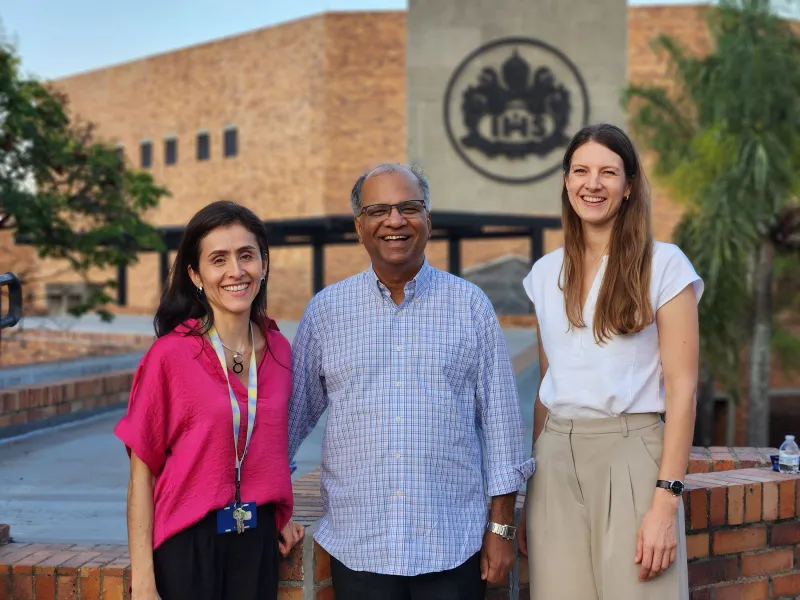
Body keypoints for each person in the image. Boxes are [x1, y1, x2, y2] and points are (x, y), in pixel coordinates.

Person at [287, 163, 534, 600]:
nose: (395, 220)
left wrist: (501, 529)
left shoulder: (470, 306)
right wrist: (271, 505)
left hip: (452, 547)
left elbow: (502, 429)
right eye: (378, 210)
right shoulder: (326, 312)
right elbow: (288, 421)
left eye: (409, 208)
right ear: (359, 227)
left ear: (428, 220)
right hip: (360, 548)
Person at [517, 124, 702, 599]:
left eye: (608, 172)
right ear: (566, 181)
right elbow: (548, 384)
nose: (592, 184)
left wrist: (666, 499)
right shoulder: (544, 274)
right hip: (554, 463)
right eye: (580, 171)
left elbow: (683, 389)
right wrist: (532, 492)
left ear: (629, 185)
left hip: (631, 456)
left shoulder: (665, 265)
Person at [114, 201, 304, 600]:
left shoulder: (280, 351)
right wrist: (144, 581)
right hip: (188, 544)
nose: (236, 271)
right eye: (219, 260)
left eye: (246, 255)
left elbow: (267, 445)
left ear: (264, 264)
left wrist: (279, 511)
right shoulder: (170, 356)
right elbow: (141, 477)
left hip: (256, 543)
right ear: (196, 275)